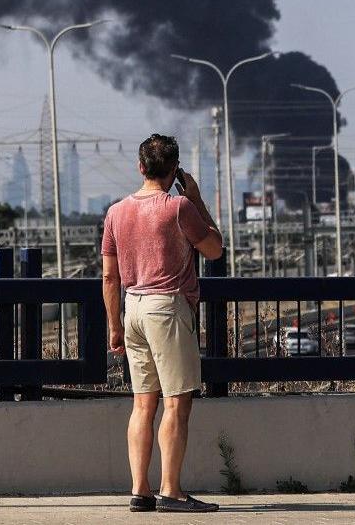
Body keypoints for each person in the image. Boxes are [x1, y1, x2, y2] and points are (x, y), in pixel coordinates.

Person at [101, 132, 224, 513]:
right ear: (174, 171)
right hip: (166, 309)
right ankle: (171, 490)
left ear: (140, 167)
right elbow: (215, 249)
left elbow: (109, 277)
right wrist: (198, 199)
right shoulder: (178, 207)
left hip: (132, 307)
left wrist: (114, 325)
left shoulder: (116, 212)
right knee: (176, 404)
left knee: (143, 404)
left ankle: (140, 489)